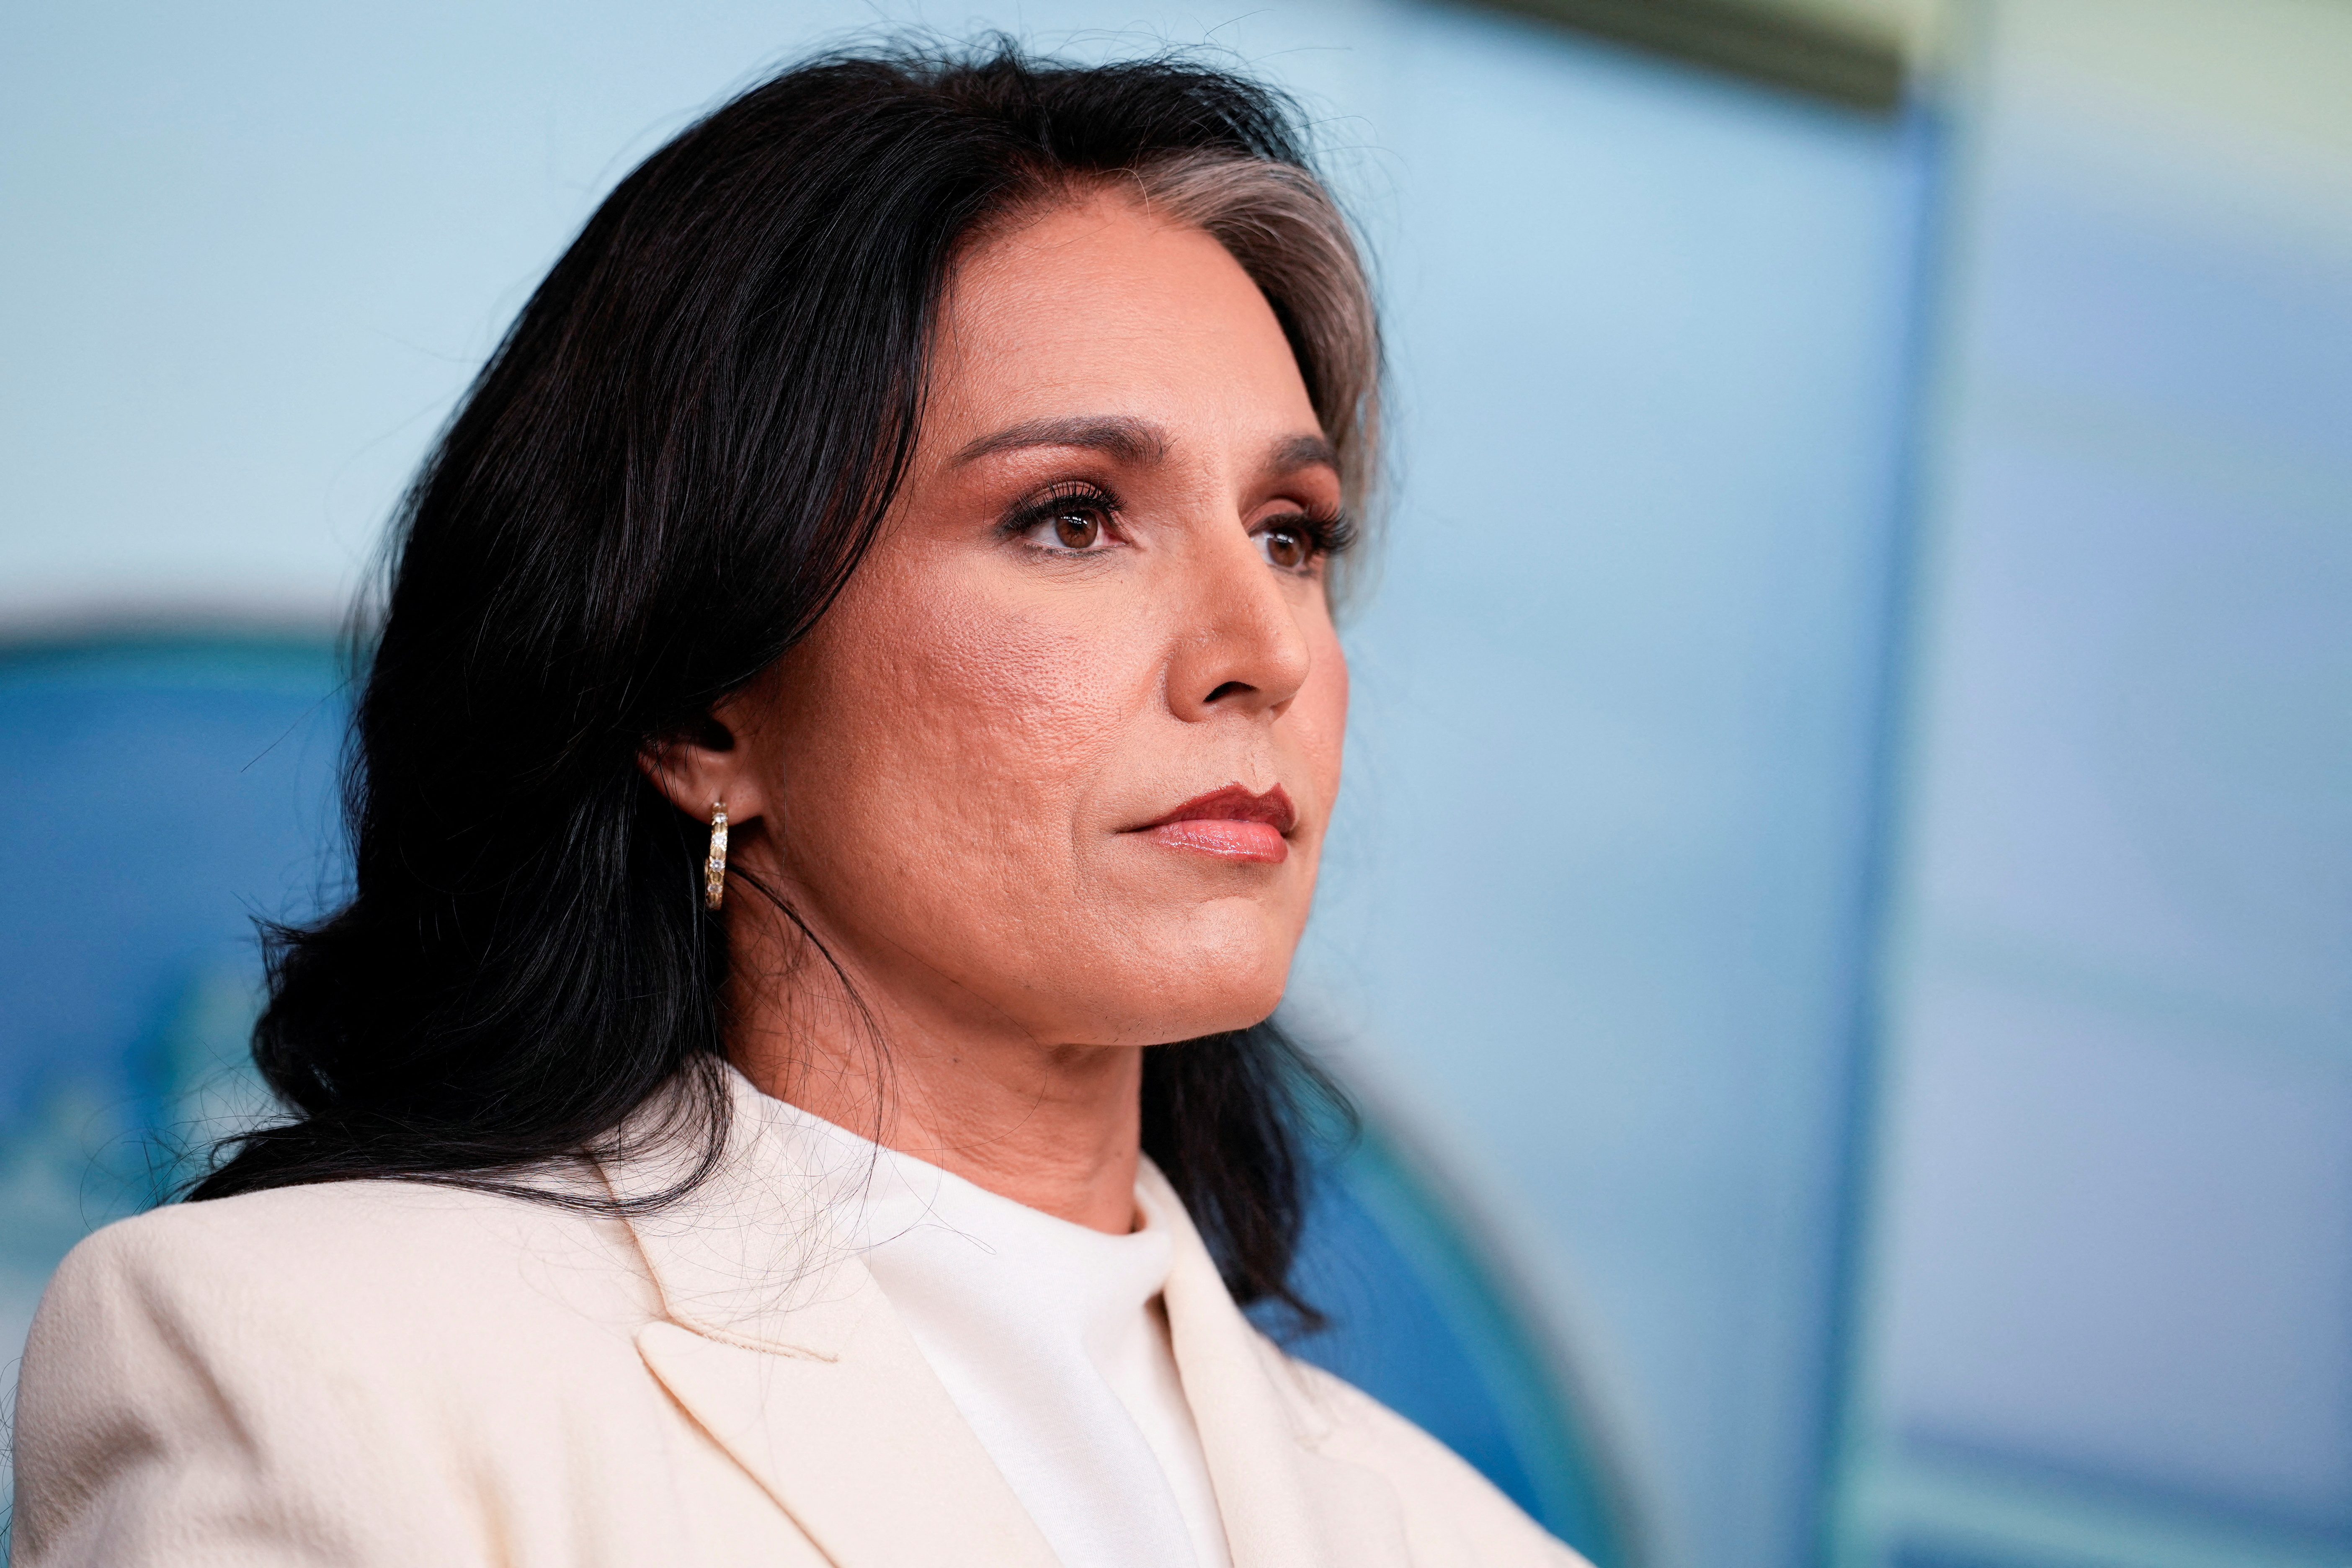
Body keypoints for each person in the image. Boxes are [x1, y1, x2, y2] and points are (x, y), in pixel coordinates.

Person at [12, 42, 1585, 1568]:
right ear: (701, 704)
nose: (1264, 653)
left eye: (1291, 534)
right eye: (1070, 519)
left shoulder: (1462, 1539)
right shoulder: (318, 1369)